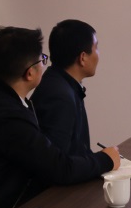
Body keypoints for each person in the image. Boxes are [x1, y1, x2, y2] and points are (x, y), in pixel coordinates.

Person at [0, 26, 120, 208]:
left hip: (13, 203)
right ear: (29, 73)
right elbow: (59, 168)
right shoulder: (7, 117)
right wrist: (105, 159)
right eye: (42, 59)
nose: (45, 65)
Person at [33, 19, 102, 156]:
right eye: (96, 48)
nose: (98, 54)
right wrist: (102, 160)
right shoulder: (59, 96)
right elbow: (57, 161)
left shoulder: (60, 83)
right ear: (83, 57)